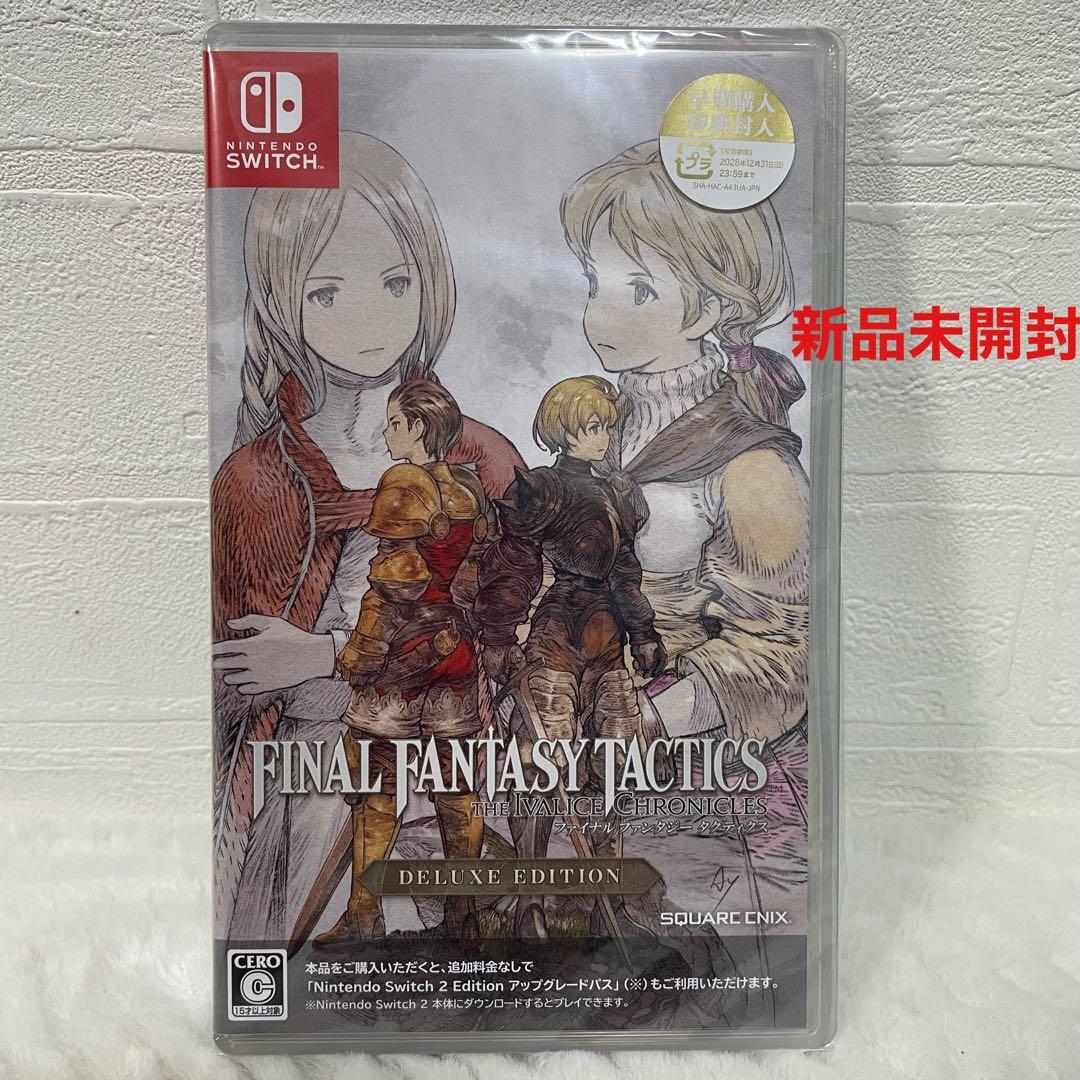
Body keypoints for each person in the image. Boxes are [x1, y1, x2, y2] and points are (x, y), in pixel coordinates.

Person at [211, 132, 523, 943]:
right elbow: (226, 673)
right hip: (313, 781)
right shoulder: (254, 477)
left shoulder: (482, 460)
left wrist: (321, 655)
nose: (368, 318)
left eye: (394, 283)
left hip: (453, 754)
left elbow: (512, 620)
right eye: (326, 293)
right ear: (282, 298)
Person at [559, 140, 810, 932]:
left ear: (707, 307)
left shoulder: (752, 463)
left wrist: (658, 716)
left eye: (638, 289)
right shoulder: (592, 430)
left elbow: (786, 648)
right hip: (580, 748)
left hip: (705, 783)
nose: (601, 314)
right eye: (595, 284)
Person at [476, 375, 667, 939]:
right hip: (556, 643)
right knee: (540, 768)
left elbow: (625, 573)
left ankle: (610, 901)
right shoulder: (542, 490)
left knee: (614, 766)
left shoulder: (619, 493)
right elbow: (513, 566)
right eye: (592, 426)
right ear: (564, 430)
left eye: (607, 425)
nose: (603, 436)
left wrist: (644, 633)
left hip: (607, 648)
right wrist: (498, 636)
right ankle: (529, 900)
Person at [314, 379, 495, 946]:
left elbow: (394, 587)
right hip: (455, 657)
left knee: (376, 790)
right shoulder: (469, 488)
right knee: (456, 790)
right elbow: (475, 578)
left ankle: (363, 918)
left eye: (395, 422)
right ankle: (463, 921)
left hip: (401, 662)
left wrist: (359, 654)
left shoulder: (404, 483)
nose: (387, 432)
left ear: (418, 428)